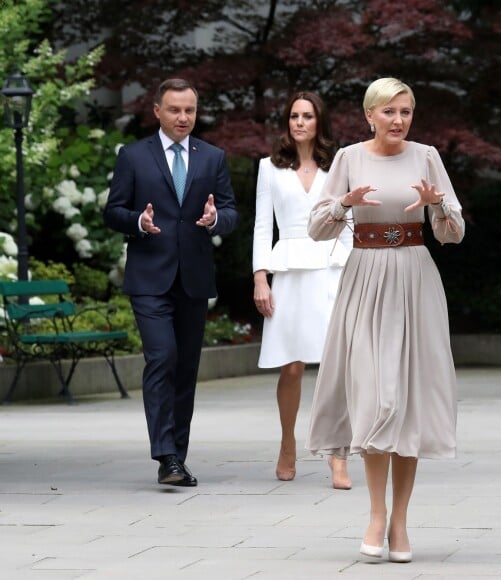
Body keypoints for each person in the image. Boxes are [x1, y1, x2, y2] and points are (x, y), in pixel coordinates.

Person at [305, 77, 465, 563]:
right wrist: (344, 205)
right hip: (365, 280)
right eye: (389, 112)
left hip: (415, 279)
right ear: (369, 114)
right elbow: (315, 227)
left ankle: (400, 523)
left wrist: (436, 204)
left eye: (406, 112)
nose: (399, 120)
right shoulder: (348, 158)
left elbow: (453, 232)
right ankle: (376, 514)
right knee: (375, 398)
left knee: (409, 403)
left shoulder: (428, 156)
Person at [103, 78, 238, 487]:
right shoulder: (134, 156)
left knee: (185, 368)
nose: (183, 117)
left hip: (193, 278)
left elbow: (230, 210)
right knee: (161, 358)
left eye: (190, 111)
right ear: (158, 111)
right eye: (175, 110)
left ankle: (176, 455)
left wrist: (215, 219)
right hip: (149, 276)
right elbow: (113, 211)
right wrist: (137, 223)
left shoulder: (212, 157)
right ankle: (165, 454)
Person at [253, 91, 352, 489]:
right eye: (293, 115)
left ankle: (337, 456)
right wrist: (260, 277)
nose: (299, 122)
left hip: (331, 269)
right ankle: (287, 444)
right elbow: (263, 225)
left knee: (337, 367)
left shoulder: (340, 164)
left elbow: (351, 221)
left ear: (318, 122)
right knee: (291, 366)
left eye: (307, 116)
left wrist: (349, 266)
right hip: (289, 271)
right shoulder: (268, 168)